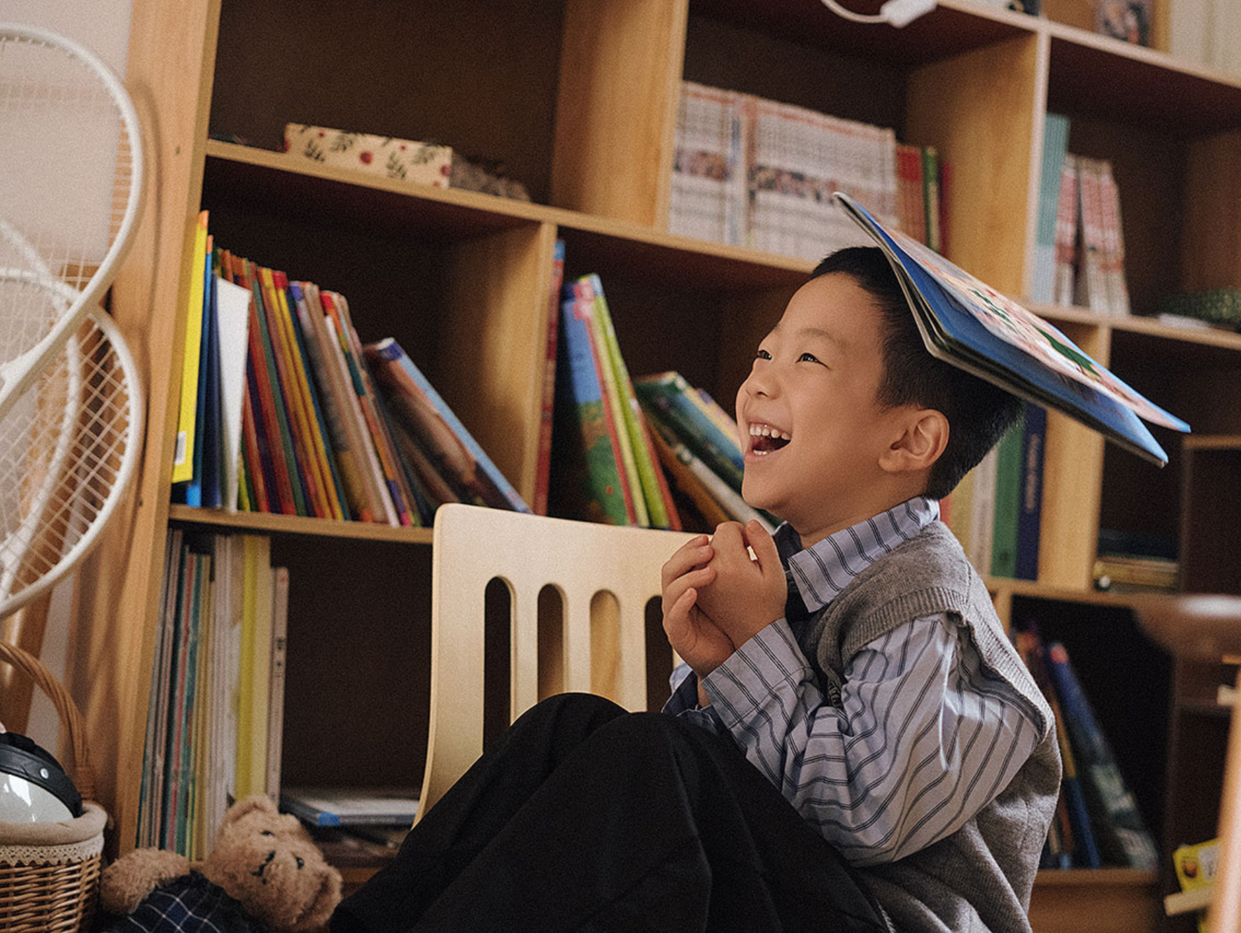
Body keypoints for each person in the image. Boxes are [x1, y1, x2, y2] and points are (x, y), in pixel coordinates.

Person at [329, 247, 1059, 933]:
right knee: (572, 727)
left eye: (807, 359)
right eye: (765, 352)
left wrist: (751, 650)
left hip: (883, 916)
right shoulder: (783, 566)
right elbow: (717, 797)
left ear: (908, 441)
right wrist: (716, 668)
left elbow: (861, 818)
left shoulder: (931, 608)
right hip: (785, 894)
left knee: (649, 755)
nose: (759, 382)